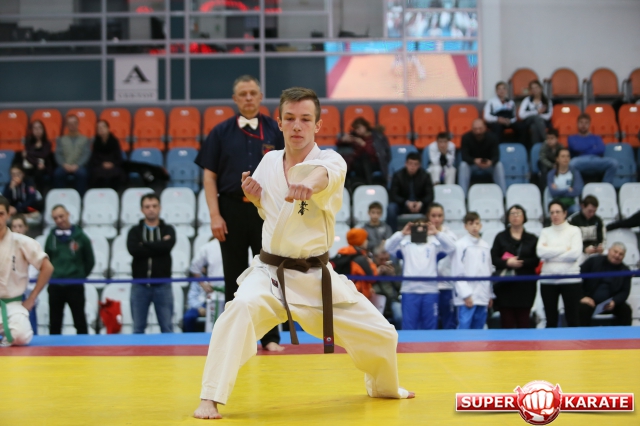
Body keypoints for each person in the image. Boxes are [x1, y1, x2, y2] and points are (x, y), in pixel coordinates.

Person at [194, 87, 414, 420]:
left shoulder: (330, 160)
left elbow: (324, 176)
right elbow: (270, 213)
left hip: (315, 278)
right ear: (279, 122)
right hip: (271, 275)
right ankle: (210, 397)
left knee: (382, 334)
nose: (297, 126)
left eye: (306, 119)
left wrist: (308, 184)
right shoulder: (268, 162)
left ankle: (384, 386)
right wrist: (255, 198)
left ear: (317, 124)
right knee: (237, 310)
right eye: (290, 118)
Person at [195, 75, 284, 352]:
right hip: (230, 209)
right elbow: (209, 178)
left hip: (265, 210)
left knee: (268, 272)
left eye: (252, 93)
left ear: (260, 97)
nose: (248, 98)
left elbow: (287, 170)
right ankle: (235, 339)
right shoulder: (220, 132)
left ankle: (270, 337)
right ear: (235, 99)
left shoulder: (275, 130)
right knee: (233, 275)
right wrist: (215, 215)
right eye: (243, 94)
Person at [385, 217, 455, 330]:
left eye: (424, 226)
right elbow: (388, 247)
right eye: (417, 226)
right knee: (409, 327)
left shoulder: (435, 244)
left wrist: (436, 233)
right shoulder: (405, 244)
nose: (420, 229)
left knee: (430, 327)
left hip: (430, 291)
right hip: (409, 290)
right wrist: (402, 233)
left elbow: (451, 247)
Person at [0, 198, 53, 346]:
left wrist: (32, 298)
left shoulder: (22, 242)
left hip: (12, 304)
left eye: (1, 214)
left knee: (21, 336)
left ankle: (7, 338)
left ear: (8, 215)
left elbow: (47, 267)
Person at [127, 193, 176, 334]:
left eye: (154, 206)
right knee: (138, 328)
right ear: (142, 209)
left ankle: (168, 350)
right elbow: (133, 250)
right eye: (147, 206)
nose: (151, 209)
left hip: (163, 284)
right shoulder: (134, 231)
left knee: (167, 327)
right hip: (140, 285)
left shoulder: (168, 229)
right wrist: (159, 245)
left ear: (160, 208)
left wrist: (144, 244)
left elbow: (167, 247)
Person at [44, 205, 94, 335]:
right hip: (55, 285)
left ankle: (84, 347)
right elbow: (46, 259)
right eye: (55, 218)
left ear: (68, 214)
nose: (59, 220)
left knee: (80, 321)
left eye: (61, 216)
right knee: (54, 323)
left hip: (75, 285)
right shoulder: (51, 237)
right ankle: (53, 348)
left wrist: (79, 275)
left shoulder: (81, 237)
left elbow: (90, 260)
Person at [490, 205, 540, 329]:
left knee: (524, 322)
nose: (515, 216)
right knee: (507, 322)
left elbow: (536, 259)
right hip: (505, 286)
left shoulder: (532, 238)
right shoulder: (500, 237)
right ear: (508, 217)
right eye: (512, 213)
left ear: (524, 217)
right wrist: (507, 263)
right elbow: (494, 258)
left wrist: (521, 262)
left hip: (525, 285)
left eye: (518, 213)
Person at [536, 200, 583, 328]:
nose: (555, 215)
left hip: (571, 279)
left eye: (557, 212)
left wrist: (550, 254)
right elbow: (540, 252)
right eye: (552, 212)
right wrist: (564, 249)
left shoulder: (574, 230)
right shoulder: (545, 231)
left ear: (565, 213)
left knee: (573, 319)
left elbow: (575, 253)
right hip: (548, 280)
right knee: (550, 320)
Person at [452, 212, 494, 329]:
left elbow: (488, 271)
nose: (474, 226)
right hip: (466, 296)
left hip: (482, 295)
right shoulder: (460, 245)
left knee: (479, 329)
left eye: (477, 223)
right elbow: (457, 271)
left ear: (480, 225)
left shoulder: (485, 245)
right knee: (464, 329)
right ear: (465, 226)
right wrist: (465, 294)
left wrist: (489, 294)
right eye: (471, 223)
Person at [579, 243, 632, 326]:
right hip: (590, 300)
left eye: (621, 254)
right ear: (609, 251)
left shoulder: (625, 271)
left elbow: (625, 292)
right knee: (582, 309)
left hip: (612, 303)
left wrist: (615, 301)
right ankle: (582, 334)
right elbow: (577, 279)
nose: (617, 255)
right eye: (615, 252)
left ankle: (624, 334)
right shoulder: (593, 261)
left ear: (623, 257)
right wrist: (582, 297)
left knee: (626, 310)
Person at [424, 203, 458, 329]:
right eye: (433, 216)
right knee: (429, 324)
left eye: (439, 216)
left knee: (449, 322)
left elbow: (453, 248)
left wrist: (438, 233)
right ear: (428, 216)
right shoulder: (422, 234)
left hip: (446, 285)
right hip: (427, 286)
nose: (436, 219)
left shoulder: (450, 235)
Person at [337, 117, 391, 188]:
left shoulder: (377, 137)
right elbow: (338, 144)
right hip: (358, 164)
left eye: (359, 128)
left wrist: (363, 144)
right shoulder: (355, 136)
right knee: (347, 161)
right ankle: (346, 187)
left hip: (375, 163)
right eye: (355, 129)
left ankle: (369, 185)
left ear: (365, 127)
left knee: (364, 158)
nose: (357, 131)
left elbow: (376, 154)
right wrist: (343, 140)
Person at [184, 237, 223, 333]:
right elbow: (191, 297)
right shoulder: (208, 248)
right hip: (208, 301)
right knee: (190, 318)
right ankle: (191, 339)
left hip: (229, 296)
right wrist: (199, 307)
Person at [387, 152, 434, 232]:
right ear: (406, 164)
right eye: (410, 164)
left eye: (415, 164)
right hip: (403, 205)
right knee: (391, 208)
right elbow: (393, 195)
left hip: (420, 205)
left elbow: (430, 195)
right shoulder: (398, 175)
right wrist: (406, 203)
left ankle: (432, 231)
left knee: (433, 208)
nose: (412, 167)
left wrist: (421, 203)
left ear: (419, 165)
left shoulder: (425, 176)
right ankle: (392, 233)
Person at [458, 119, 506, 196]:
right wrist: (474, 161)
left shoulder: (493, 137)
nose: (478, 132)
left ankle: (503, 195)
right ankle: (463, 196)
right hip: (473, 165)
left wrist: (491, 162)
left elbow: (496, 156)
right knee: (463, 165)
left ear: (485, 128)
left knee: (499, 165)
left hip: (488, 165)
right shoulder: (466, 137)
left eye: (480, 129)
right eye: (475, 129)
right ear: (472, 129)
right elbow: (464, 156)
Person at [10, 214, 40, 334]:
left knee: (30, 329)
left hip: (27, 294)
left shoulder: (33, 246)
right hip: (10, 296)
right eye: (14, 226)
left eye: (20, 226)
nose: (17, 229)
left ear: (26, 228)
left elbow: (35, 271)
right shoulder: (5, 247)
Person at [568, 113, 618, 185]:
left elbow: (601, 149)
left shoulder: (596, 137)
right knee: (572, 164)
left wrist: (583, 149)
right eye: (581, 122)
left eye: (586, 123)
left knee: (613, 163)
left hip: (596, 160)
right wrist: (592, 147)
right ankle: (579, 187)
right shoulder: (572, 137)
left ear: (589, 124)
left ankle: (606, 186)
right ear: (577, 124)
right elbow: (576, 148)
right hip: (580, 161)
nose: (583, 125)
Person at [334, 228, 378, 301]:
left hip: (343, 294)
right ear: (360, 241)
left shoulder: (342, 254)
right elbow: (372, 278)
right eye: (365, 239)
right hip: (358, 296)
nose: (367, 241)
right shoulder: (360, 258)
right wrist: (371, 264)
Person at [53, 115, 91, 195]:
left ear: (78, 124)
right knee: (57, 174)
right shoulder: (61, 139)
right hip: (65, 165)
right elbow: (58, 154)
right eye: (70, 123)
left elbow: (86, 154)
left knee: (82, 174)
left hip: (79, 166)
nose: (72, 125)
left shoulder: (85, 139)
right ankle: (60, 196)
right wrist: (64, 164)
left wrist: (77, 165)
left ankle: (80, 197)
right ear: (67, 125)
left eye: (74, 123)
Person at [15, 120, 54, 193]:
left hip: (43, 167)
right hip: (31, 165)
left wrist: (29, 154)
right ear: (32, 130)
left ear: (43, 130)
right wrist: (37, 162)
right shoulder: (28, 142)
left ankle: (39, 193)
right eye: (35, 128)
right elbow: (27, 157)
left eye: (39, 128)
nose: (37, 130)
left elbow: (43, 155)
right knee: (23, 171)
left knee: (39, 172)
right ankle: (25, 193)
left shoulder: (47, 143)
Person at [88, 120, 126, 191]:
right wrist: (102, 164)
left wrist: (112, 164)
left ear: (108, 128)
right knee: (96, 174)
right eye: (99, 128)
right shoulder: (96, 142)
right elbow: (94, 158)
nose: (101, 129)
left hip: (113, 165)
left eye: (103, 127)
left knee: (117, 174)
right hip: (100, 165)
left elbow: (118, 157)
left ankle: (115, 193)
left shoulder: (114, 141)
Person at [568, 195, 605, 262]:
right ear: (583, 206)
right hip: (580, 251)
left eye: (594, 211)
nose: (592, 214)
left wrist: (600, 247)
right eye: (590, 211)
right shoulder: (573, 220)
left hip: (595, 250)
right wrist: (584, 249)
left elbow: (601, 238)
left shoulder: (598, 220)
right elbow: (570, 241)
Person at [547, 148, 583, 215]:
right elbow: (553, 192)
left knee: (577, 210)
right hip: (556, 204)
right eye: (563, 156)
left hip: (571, 204)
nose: (566, 158)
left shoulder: (575, 173)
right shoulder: (551, 174)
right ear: (557, 159)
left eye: (568, 156)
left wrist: (558, 191)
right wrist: (567, 190)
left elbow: (577, 192)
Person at [371, 248, 402, 327]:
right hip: (375, 299)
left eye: (386, 259)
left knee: (400, 317)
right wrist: (375, 274)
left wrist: (393, 276)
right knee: (374, 319)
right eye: (381, 259)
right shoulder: (370, 267)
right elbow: (366, 284)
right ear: (375, 257)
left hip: (392, 299)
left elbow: (400, 287)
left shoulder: (395, 267)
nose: (384, 262)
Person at [518, 80, 553, 147]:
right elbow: (521, 115)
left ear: (541, 88)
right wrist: (536, 112)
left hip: (542, 122)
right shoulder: (527, 100)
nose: (534, 90)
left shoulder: (547, 101)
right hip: (528, 121)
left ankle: (535, 148)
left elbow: (548, 116)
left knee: (534, 127)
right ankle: (546, 140)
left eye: (536, 87)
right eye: (532, 88)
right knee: (536, 118)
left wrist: (538, 116)